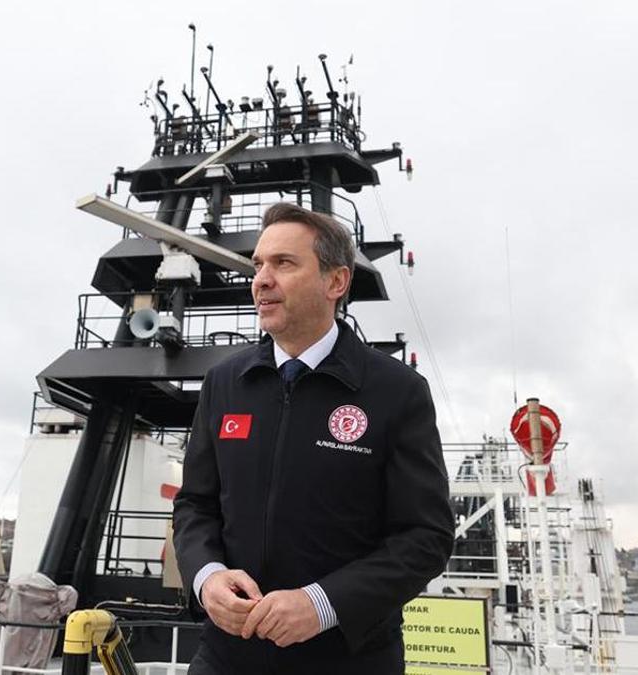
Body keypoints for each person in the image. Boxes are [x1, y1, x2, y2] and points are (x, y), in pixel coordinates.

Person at [173, 203, 454, 675]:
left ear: (336, 282)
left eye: (283, 263)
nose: (261, 280)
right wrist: (207, 577)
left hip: (349, 660)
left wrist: (324, 604)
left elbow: (426, 536)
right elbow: (195, 505)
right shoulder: (224, 383)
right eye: (258, 265)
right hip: (226, 656)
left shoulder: (397, 392)